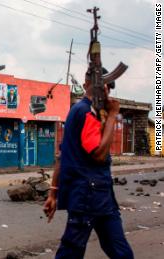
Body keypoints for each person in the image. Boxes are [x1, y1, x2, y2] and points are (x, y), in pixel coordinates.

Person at [43, 71, 133, 259]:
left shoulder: (82, 112)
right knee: (71, 252)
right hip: (88, 198)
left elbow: (62, 156)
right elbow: (99, 155)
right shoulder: (86, 112)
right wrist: (113, 116)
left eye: (108, 86)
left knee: (119, 250)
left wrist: (53, 192)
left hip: (101, 198)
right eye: (104, 85)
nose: (106, 90)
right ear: (87, 85)